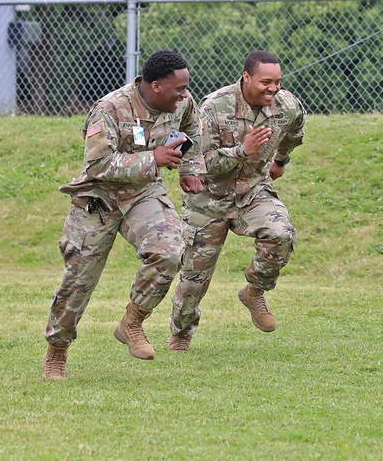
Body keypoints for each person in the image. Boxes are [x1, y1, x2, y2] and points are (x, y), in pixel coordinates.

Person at [43, 50, 203, 380]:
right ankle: (57, 351)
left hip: (142, 193)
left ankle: (132, 323)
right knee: (77, 283)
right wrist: (153, 158)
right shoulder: (111, 108)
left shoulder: (181, 103)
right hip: (98, 199)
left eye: (187, 88)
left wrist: (188, 168)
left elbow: (193, 129)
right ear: (156, 86)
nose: (185, 94)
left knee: (170, 250)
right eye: (179, 88)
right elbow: (98, 165)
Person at [168, 50, 305, 351]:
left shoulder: (287, 105)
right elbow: (197, 161)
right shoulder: (214, 107)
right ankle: (180, 335)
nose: (273, 89)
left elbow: (294, 131)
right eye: (265, 82)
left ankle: (254, 291)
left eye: (278, 82)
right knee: (194, 280)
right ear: (246, 77)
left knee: (280, 234)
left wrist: (280, 161)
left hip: (253, 191)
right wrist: (241, 152)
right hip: (209, 198)